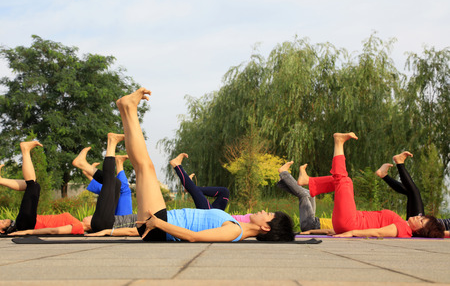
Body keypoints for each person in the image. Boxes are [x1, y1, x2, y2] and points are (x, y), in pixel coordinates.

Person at [116, 88, 294, 242]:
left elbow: (193, 237)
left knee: (145, 167)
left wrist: (158, 223)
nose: (264, 211)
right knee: (143, 168)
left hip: (158, 226)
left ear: (266, 228)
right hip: (159, 222)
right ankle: (126, 109)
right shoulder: (237, 225)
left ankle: (129, 109)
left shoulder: (234, 230)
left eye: (269, 214)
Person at [298, 132, 444, 238]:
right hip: (348, 221)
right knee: (344, 182)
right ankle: (308, 181)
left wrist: (352, 232)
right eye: (422, 217)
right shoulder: (403, 224)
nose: (419, 217)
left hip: (350, 223)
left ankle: (338, 142)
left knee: (343, 180)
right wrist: (314, 231)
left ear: (421, 231)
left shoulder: (403, 229)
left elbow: (377, 232)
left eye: (422, 221)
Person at [0, 141, 87, 236]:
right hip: (30, 222)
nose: (92, 216)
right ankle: (1, 180)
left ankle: (25, 150)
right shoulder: (78, 225)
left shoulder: (78, 227)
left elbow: (52, 231)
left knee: (32, 185)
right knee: (32, 186)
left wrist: (28, 231)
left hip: (28, 225)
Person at [375, 152, 450, 238]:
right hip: (425, 224)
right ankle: (384, 175)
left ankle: (399, 163)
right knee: (411, 193)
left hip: (423, 228)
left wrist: (434, 234)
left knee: (415, 193)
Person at [276, 162, 334, 235]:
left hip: (311, 227)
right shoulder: (349, 223)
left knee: (304, 195)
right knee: (311, 194)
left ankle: (284, 173)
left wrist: (310, 231)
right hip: (314, 222)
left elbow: (329, 231)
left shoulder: (349, 227)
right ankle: (282, 182)